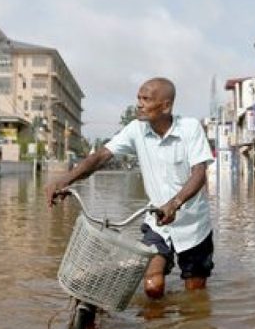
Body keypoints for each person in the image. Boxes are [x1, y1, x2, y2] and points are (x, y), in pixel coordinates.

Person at [45, 77, 215, 299]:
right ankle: (157, 328)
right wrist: (66, 180)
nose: (139, 104)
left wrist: (175, 203)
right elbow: (100, 157)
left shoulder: (190, 128)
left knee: (195, 294)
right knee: (152, 286)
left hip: (193, 226)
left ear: (166, 105)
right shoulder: (136, 129)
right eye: (138, 98)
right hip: (158, 222)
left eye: (146, 99)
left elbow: (199, 173)